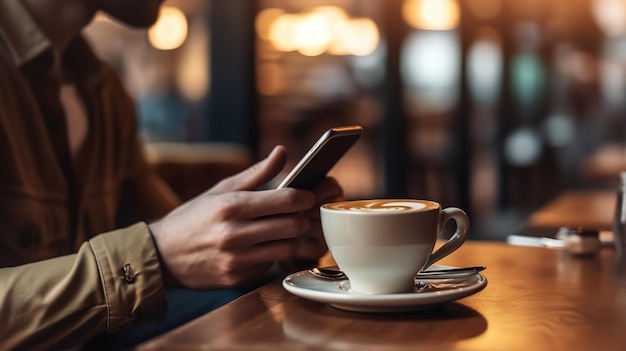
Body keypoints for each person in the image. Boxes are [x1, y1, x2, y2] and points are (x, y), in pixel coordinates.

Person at [0, 0, 343, 349]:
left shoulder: (101, 89)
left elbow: (175, 240)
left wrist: (267, 240)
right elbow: (158, 251)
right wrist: (157, 257)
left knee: (271, 311)